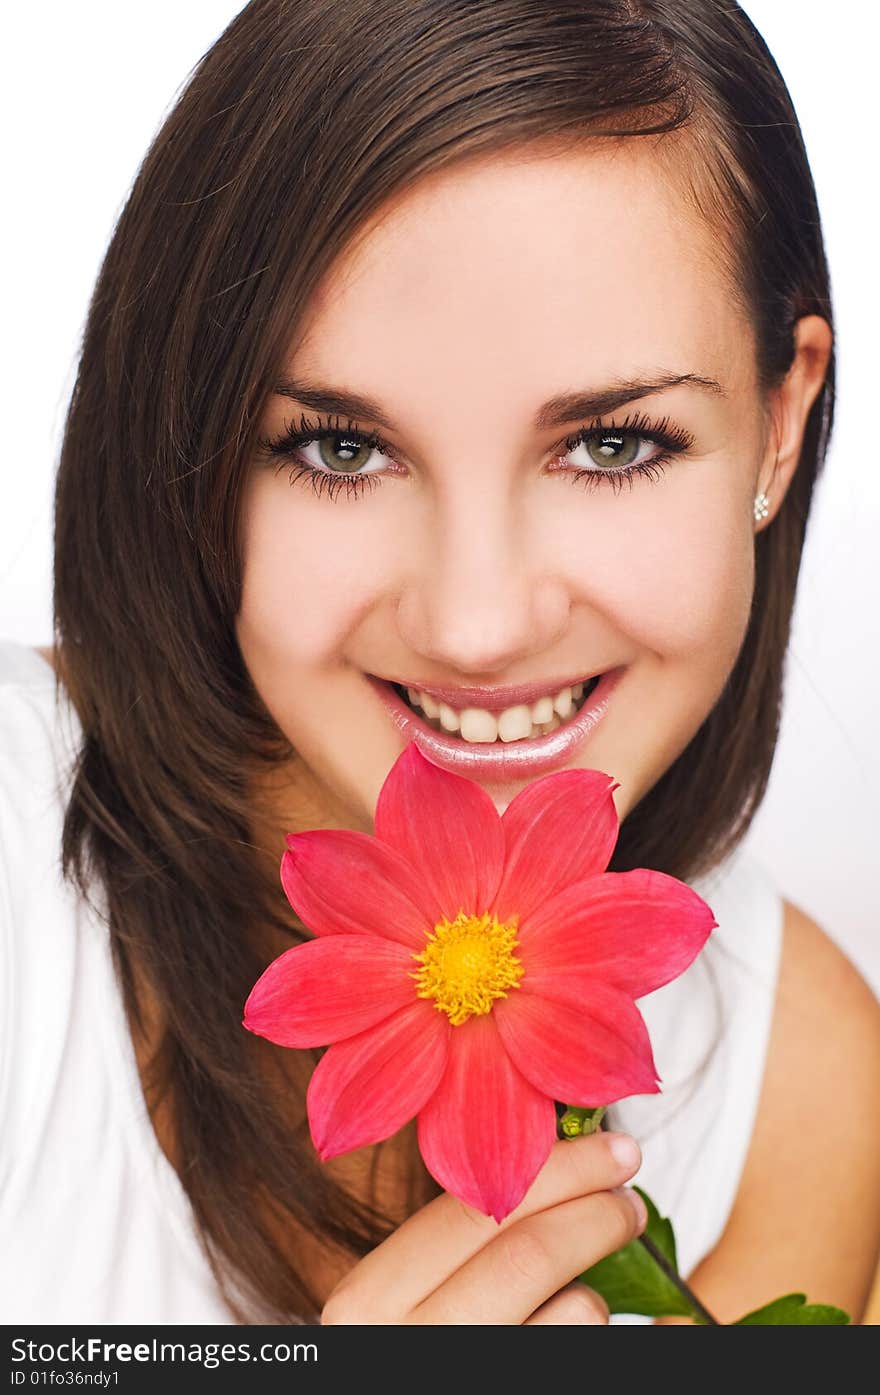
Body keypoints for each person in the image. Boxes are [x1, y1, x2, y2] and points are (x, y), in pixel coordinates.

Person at [1, 0, 878, 1327]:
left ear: (777, 424)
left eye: (611, 444)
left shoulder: (800, 1084)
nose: (475, 630)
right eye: (341, 448)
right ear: (191, 451)